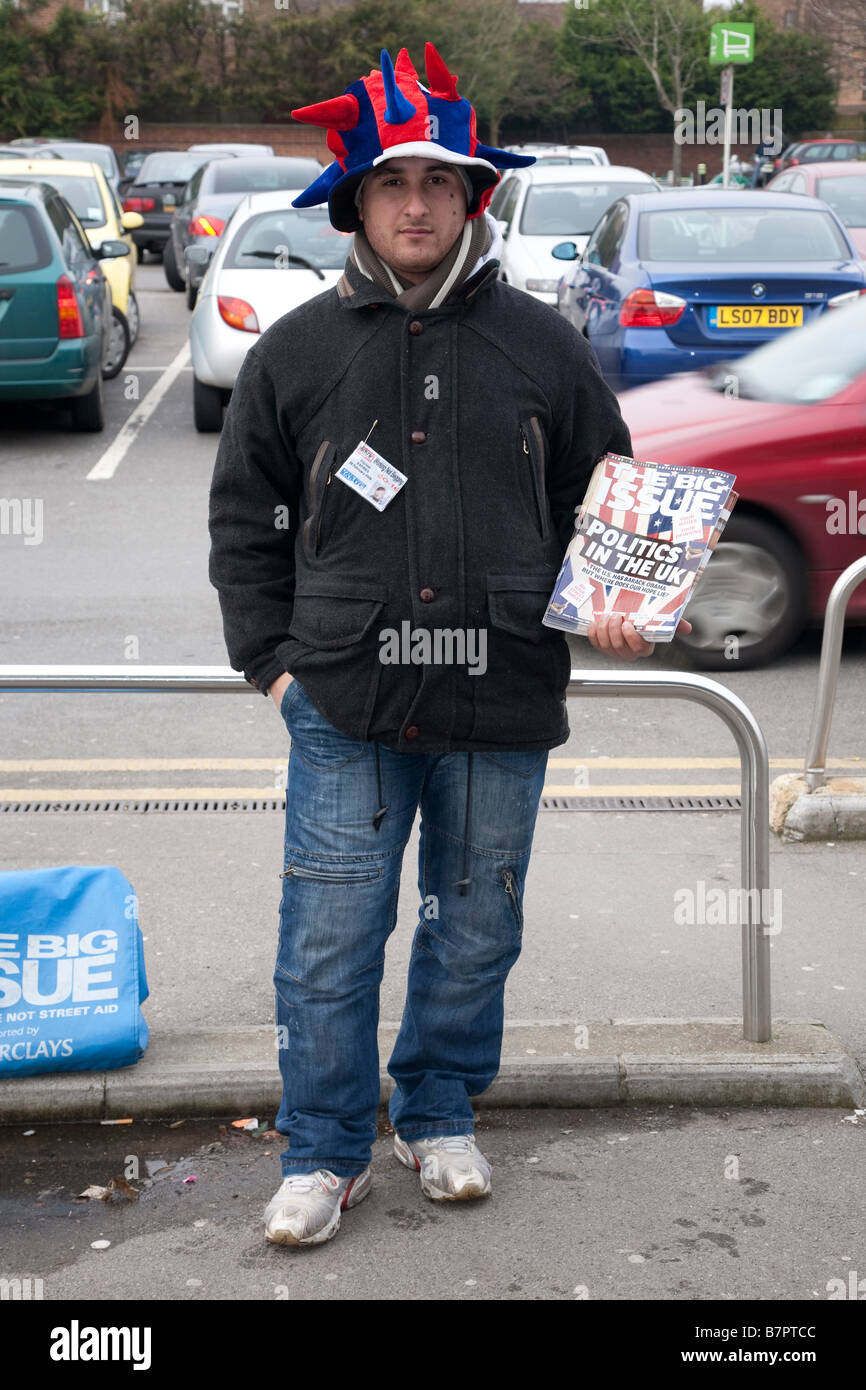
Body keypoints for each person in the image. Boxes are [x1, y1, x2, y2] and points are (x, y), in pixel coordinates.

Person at [207, 43, 691, 1248]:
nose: (415, 203)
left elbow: (606, 497)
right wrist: (271, 662)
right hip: (344, 700)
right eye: (391, 182)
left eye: (439, 182)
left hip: (503, 698)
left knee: (476, 925)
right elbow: (244, 519)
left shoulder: (543, 346)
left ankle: (434, 1106)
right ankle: (322, 1147)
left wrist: (621, 602)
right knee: (327, 941)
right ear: (355, 203)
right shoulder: (297, 353)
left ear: (473, 197)